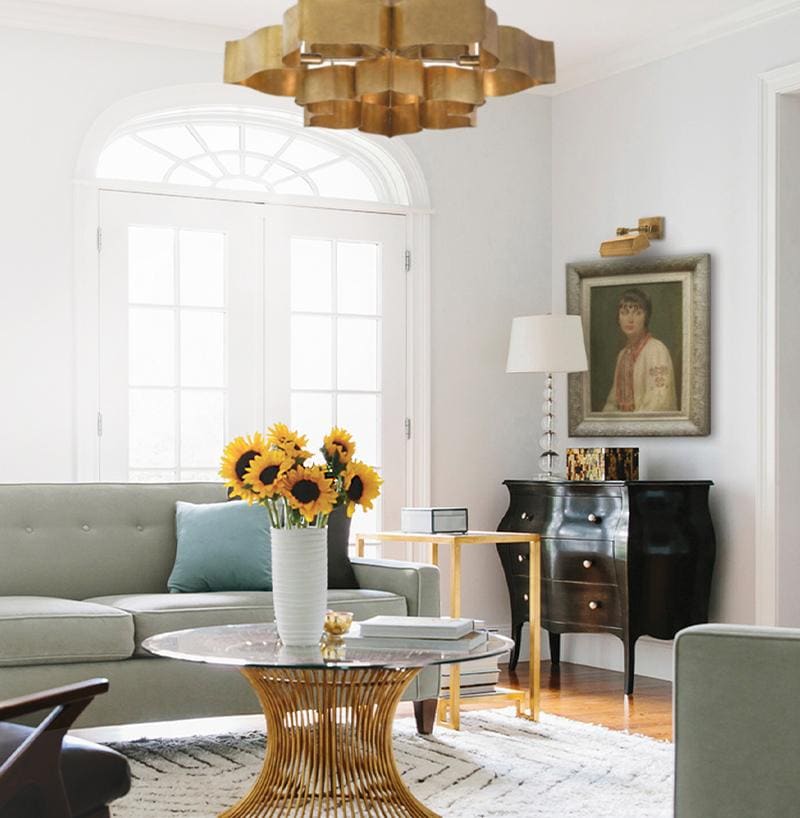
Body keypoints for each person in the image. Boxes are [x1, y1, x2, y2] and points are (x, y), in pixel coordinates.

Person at [603, 288, 677, 412]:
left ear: (646, 317)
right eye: (624, 312)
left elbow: (659, 402)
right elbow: (612, 401)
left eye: (638, 313)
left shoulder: (657, 350)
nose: (630, 319)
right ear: (618, 317)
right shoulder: (623, 355)